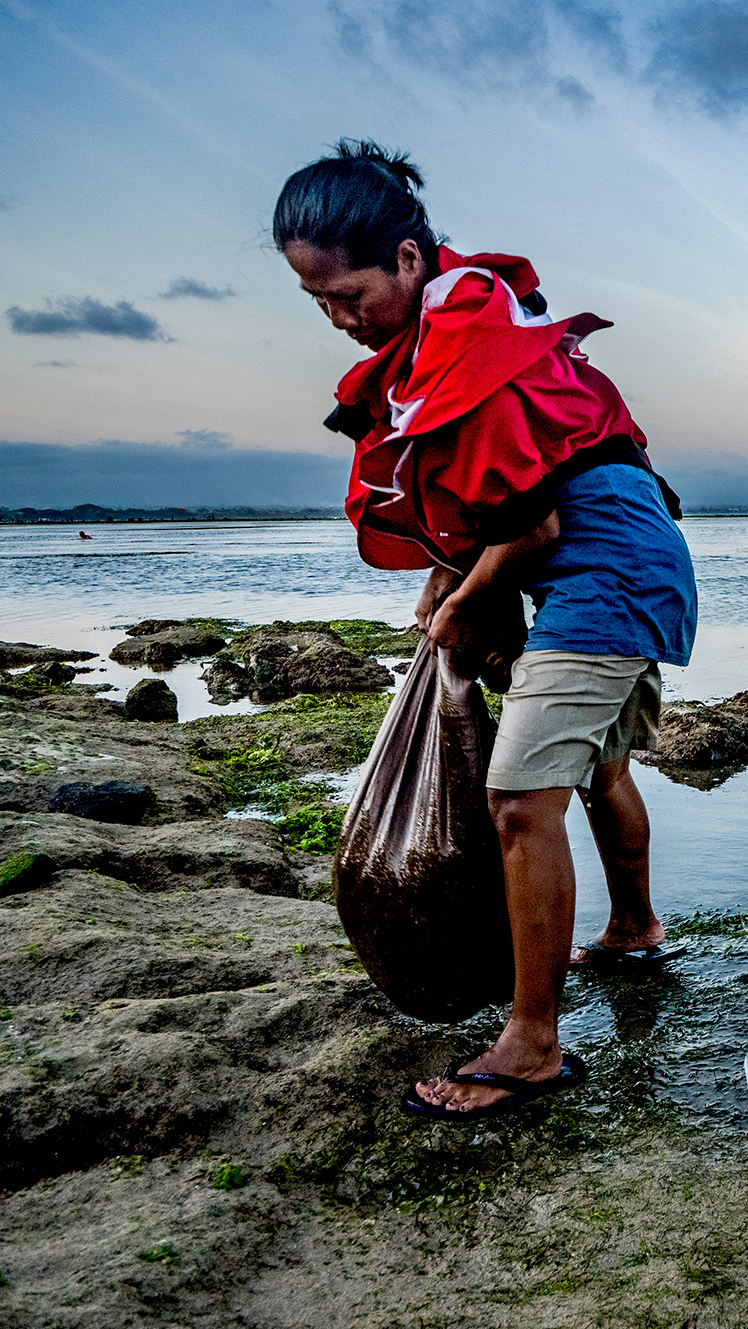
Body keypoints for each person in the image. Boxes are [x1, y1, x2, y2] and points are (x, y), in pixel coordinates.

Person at [273, 140, 697, 1120]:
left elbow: (533, 522)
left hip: (609, 561)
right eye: (321, 305)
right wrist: (447, 575)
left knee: (516, 795)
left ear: (411, 261)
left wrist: (468, 593)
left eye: (352, 295)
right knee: (589, 763)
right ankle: (633, 931)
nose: (343, 320)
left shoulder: (469, 335)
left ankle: (533, 1047)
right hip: (611, 551)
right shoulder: (445, 346)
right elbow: (493, 501)